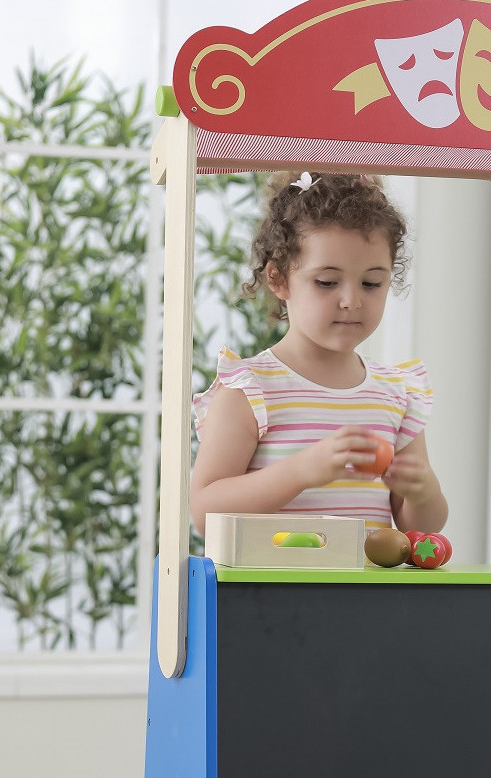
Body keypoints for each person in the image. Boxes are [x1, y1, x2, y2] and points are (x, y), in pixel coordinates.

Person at [190, 170, 448, 539]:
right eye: (327, 282)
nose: (352, 301)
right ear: (278, 279)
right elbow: (205, 513)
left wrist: (424, 492)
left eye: (372, 283)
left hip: (367, 579)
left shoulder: (398, 394)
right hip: (270, 579)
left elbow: (419, 528)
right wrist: (301, 471)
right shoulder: (250, 390)